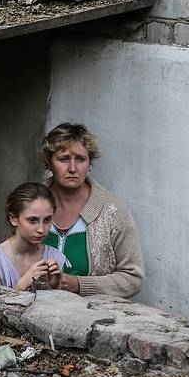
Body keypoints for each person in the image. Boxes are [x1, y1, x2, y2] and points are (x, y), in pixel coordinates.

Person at [41, 123, 144, 298]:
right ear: (49, 162)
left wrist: (79, 284)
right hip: (31, 309)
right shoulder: (29, 203)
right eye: (64, 159)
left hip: (89, 312)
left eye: (80, 159)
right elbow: (8, 257)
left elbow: (133, 278)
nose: (72, 168)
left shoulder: (112, 211)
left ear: (89, 163)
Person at [0, 182, 68, 291]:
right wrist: (22, 285)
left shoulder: (55, 258)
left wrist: (55, 287)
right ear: (13, 219)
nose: (41, 229)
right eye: (32, 220)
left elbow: (55, 301)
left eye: (47, 220)